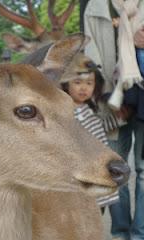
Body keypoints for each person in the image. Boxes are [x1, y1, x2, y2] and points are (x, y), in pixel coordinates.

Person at [83, 0, 144, 240]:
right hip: (112, 100)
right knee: (114, 171)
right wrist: (106, 98)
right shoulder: (96, 7)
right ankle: (121, 233)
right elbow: (90, 58)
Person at [60, 70, 120, 208]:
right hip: (76, 172)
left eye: (89, 83)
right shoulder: (64, 113)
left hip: (97, 168)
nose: (83, 88)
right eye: (77, 82)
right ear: (66, 84)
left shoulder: (92, 113)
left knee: (95, 209)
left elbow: (101, 140)